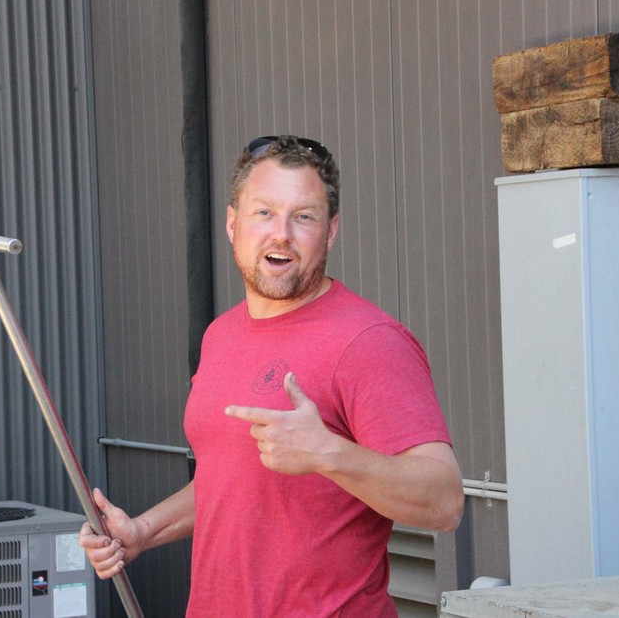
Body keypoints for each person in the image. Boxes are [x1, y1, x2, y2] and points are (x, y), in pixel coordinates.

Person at [80, 134, 463, 616]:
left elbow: (444, 501)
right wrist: (143, 532)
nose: (281, 232)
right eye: (264, 212)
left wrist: (328, 452)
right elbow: (230, 481)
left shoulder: (368, 340)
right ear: (232, 223)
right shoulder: (221, 336)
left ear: (332, 230)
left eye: (303, 216)